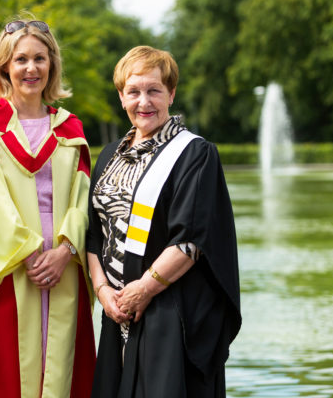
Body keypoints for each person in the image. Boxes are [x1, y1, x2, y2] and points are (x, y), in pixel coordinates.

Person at [87, 45, 241, 397]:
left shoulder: (194, 154)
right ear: (121, 97)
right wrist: (103, 293)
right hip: (116, 312)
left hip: (169, 311)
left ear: (171, 93)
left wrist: (143, 290)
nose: (144, 102)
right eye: (134, 92)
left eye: (154, 90)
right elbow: (92, 234)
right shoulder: (110, 155)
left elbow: (191, 240)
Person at [0, 19, 96, 398]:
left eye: (40, 58)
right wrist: (33, 252)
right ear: (5, 66)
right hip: (9, 267)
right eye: (20, 60)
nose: (30, 68)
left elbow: (83, 200)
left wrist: (65, 250)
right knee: (4, 375)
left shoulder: (71, 129)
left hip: (62, 268)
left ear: (52, 64)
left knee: (62, 366)